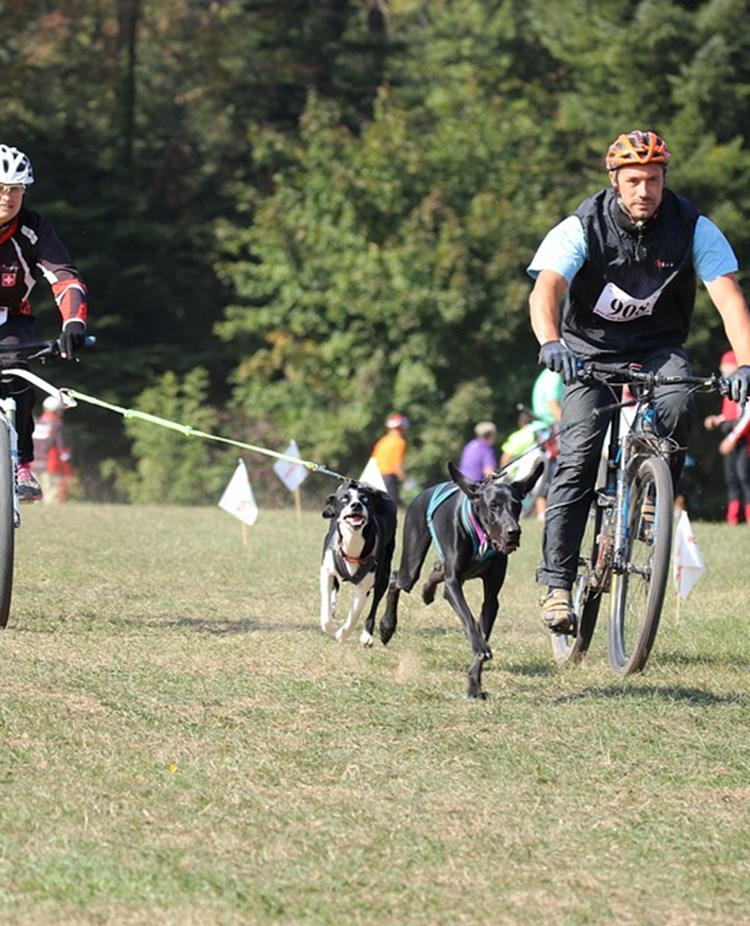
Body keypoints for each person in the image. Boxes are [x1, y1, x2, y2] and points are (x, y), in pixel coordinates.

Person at [528, 129, 750, 634]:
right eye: (633, 180)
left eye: (653, 179)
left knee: (678, 401)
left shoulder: (693, 226)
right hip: (588, 352)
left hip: (657, 348)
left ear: (664, 179)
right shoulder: (581, 225)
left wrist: (744, 364)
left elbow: (729, 298)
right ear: (615, 181)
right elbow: (548, 289)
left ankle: (653, 496)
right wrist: (550, 341)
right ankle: (557, 584)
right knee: (579, 457)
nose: (644, 190)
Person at [0, 144, 88, 502]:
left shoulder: (32, 230)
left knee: (13, 366)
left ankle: (20, 463)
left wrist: (73, 323)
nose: (7, 196)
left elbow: (65, 278)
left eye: (15, 189)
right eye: (0, 187)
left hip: (10, 321)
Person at [704, 349, 750, 524]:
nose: (722, 368)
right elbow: (730, 414)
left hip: (744, 441)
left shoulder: (744, 383)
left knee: (745, 477)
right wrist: (718, 419)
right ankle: (732, 519)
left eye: (725, 364)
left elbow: (747, 414)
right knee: (732, 479)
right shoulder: (728, 388)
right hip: (733, 435)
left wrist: (733, 437)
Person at [530, 368, 563, 518]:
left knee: (546, 470)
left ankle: (541, 511)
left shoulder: (547, 373)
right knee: (550, 471)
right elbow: (552, 404)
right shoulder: (554, 376)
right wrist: (570, 424)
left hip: (543, 428)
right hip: (548, 429)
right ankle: (543, 512)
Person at [32, 396, 75, 503]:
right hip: (51, 464)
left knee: (35, 494)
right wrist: (66, 459)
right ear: (57, 410)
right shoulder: (57, 424)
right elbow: (61, 445)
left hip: (33, 463)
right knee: (52, 494)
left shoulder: (36, 422)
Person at [371, 413, 410, 505]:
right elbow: (397, 466)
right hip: (389, 477)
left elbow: (374, 459)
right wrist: (405, 481)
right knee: (394, 505)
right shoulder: (399, 442)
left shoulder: (383, 441)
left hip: (376, 476)